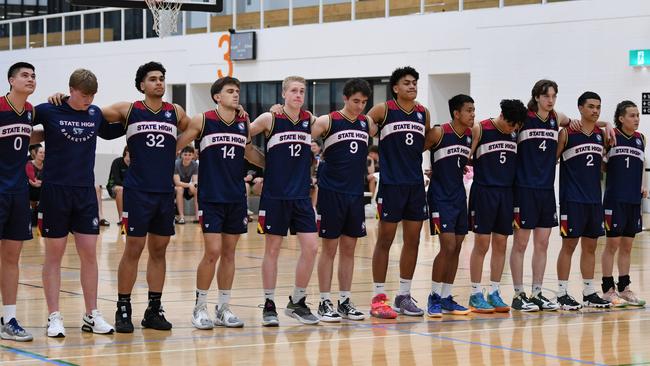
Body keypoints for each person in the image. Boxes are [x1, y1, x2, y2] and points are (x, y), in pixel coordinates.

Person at [49, 62, 192, 332]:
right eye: (153, 79)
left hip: (164, 192)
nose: (159, 83)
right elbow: (87, 111)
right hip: (138, 191)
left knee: (159, 251)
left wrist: (178, 145)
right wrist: (62, 99)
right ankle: (123, 307)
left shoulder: (176, 112)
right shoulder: (128, 110)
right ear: (142, 85)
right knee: (133, 249)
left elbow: (195, 127)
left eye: (162, 79)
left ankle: (153, 309)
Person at [508, 79, 614, 312]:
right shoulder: (523, 117)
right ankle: (518, 294)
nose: (550, 100)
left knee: (543, 244)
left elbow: (586, 121)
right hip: (524, 189)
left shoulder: (557, 118)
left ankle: (537, 293)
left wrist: (608, 125)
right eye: (547, 96)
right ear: (537, 97)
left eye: (554, 96)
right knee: (521, 244)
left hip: (546, 190)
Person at [36, 68, 120, 337]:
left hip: (84, 192)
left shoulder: (94, 114)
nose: (88, 100)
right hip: (54, 192)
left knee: (89, 255)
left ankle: (91, 314)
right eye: (84, 95)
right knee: (54, 255)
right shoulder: (49, 110)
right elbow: (19, 117)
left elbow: (120, 124)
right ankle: (54, 316)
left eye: (93, 95)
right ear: (70, 90)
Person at [176, 76, 264, 329]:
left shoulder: (243, 121)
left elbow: (249, 152)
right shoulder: (203, 120)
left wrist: (275, 166)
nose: (236, 95)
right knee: (212, 251)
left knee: (229, 253)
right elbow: (178, 145)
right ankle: (199, 306)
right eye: (230, 91)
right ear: (217, 96)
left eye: (237, 91)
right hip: (211, 195)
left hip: (236, 195)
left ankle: (223, 307)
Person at [249, 75, 320, 326]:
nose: (298, 95)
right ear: (283, 94)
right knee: (272, 250)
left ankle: (297, 302)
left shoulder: (309, 120)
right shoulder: (271, 118)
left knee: (311, 247)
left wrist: (315, 150)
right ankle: (269, 304)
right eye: (293, 91)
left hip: (301, 195)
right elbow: (241, 135)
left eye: (302, 91)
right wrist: (260, 163)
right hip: (275, 195)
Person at [366, 66, 430, 318]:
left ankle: (403, 295)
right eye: (407, 83)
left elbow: (423, 143)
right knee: (385, 240)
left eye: (415, 82)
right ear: (395, 87)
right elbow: (363, 126)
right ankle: (378, 297)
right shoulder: (384, 109)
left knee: (413, 240)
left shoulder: (423, 112)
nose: (412, 86)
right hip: (391, 184)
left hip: (415, 184)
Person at [314, 78, 376, 322]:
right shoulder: (327, 121)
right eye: (355, 101)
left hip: (354, 194)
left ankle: (344, 300)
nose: (360, 106)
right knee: (329, 249)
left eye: (363, 102)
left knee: (349, 249)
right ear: (345, 99)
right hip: (331, 193)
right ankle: (323, 300)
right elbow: (297, 133)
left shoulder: (366, 122)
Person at [466, 99, 527, 314]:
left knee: (501, 244)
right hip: (484, 191)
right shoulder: (480, 129)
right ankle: (475, 293)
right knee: (482, 243)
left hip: (506, 193)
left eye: (516, 127)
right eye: (511, 125)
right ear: (501, 115)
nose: (513, 129)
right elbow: (465, 157)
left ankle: (494, 291)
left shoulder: (514, 132)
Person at [555, 91, 611, 310]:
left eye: (598, 107)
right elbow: (552, 160)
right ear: (580, 108)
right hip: (572, 199)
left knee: (591, 246)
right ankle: (561, 293)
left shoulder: (602, 135)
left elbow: (605, 165)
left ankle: (588, 292)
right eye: (590, 106)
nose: (595, 111)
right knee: (569, 245)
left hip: (594, 200)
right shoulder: (567, 133)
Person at [424, 94, 474, 317]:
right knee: (447, 245)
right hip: (439, 196)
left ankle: (446, 297)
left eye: (474, 110)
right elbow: (413, 151)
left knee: (458, 245)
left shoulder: (470, 136)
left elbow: (458, 162)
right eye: (469, 110)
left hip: (458, 196)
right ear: (456, 113)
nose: (473, 114)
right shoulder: (439, 132)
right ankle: (433, 296)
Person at [0, 62, 36, 342]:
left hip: (18, 193)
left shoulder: (30, 111)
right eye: (25, 75)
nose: (30, 79)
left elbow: (28, 137)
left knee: (12, 257)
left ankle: (9, 318)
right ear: (11, 80)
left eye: (33, 75)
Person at [601, 101, 647, 307]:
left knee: (627, 246)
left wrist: (643, 187)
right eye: (631, 115)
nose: (636, 119)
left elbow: (642, 167)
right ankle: (607, 289)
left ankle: (624, 287)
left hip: (633, 201)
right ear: (620, 118)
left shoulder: (641, 139)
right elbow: (601, 165)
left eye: (637, 115)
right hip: (614, 199)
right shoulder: (611, 137)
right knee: (612, 245)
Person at [174, 145, 199, 224]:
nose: (187, 157)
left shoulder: (195, 165)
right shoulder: (176, 164)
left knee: (196, 189)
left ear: (193, 156)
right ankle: (182, 217)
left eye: (189, 155)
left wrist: (193, 186)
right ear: (181, 155)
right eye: (185, 154)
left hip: (187, 187)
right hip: (176, 188)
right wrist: (190, 185)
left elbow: (195, 181)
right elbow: (177, 182)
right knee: (180, 188)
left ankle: (197, 217)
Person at [106, 145, 130, 223]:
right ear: (126, 152)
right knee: (120, 189)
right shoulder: (117, 162)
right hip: (114, 187)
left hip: (129, 188)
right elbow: (117, 180)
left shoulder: (136, 164)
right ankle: (121, 218)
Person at [26, 144, 44, 223]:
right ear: (35, 153)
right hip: (31, 194)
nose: (43, 154)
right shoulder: (29, 163)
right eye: (40, 152)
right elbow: (34, 181)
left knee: (41, 215)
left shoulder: (46, 164)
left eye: (44, 152)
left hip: (43, 194)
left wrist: (42, 182)